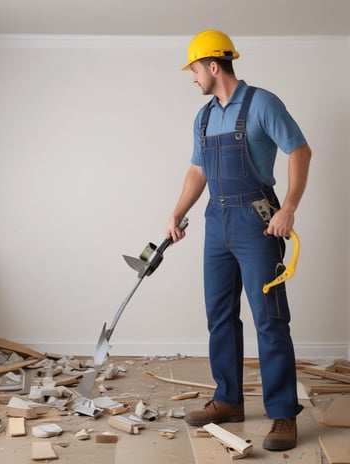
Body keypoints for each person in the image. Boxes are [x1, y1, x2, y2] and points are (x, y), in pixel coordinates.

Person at [166, 30, 311, 451]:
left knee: (269, 316)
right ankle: (228, 399)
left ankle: (283, 413)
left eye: (194, 70)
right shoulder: (205, 116)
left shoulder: (262, 103)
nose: (192, 78)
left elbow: (300, 151)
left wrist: (289, 208)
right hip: (217, 220)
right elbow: (198, 171)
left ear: (213, 65)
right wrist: (178, 211)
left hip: (256, 220)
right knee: (219, 314)